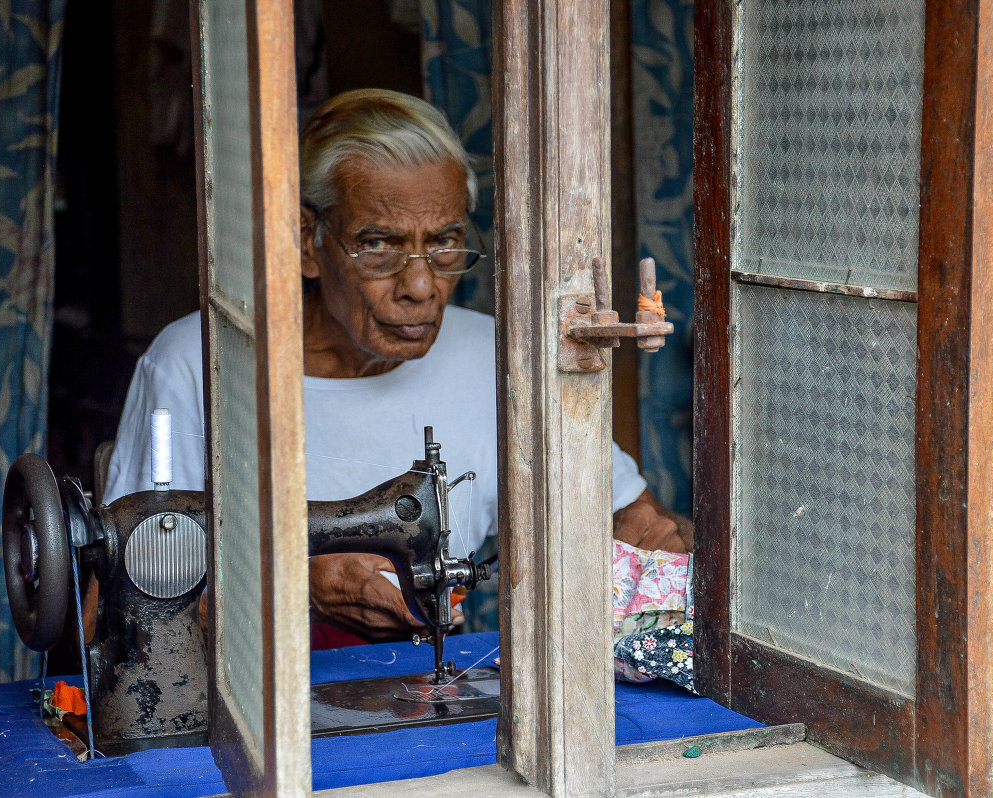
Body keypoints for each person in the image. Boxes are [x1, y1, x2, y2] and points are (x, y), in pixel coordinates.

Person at [105, 88, 691, 646]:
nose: (420, 286)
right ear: (307, 240)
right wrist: (296, 585)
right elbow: (121, 605)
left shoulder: (497, 358)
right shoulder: (194, 364)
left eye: (445, 242)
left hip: (417, 683)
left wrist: (647, 538)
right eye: (379, 244)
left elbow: (626, 511)